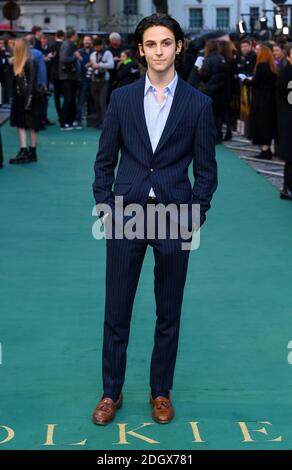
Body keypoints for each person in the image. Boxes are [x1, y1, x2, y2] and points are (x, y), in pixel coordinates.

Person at [92, 13, 218, 425]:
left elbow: (206, 170)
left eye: (167, 43)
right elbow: (104, 160)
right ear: (141, 49)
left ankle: (160, 391)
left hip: (173, 216)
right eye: (151, 44)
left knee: (169, 311)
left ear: (178, 47)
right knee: (117, 309)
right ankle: (111, 392)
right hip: (126, 215)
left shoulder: (199, 105)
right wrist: (106, 205)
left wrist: (195, 214)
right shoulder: (123, 98)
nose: (159, 51)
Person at [9, 38, 41, 164]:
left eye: (14, 46)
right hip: (21, 97)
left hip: (29, 97)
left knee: (30, 125)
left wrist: (28, 101)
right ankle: (26, 150)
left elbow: (32, 83)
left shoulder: (30, 62)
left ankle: (30, 151)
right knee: (21, 125)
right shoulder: (18, 62)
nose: (12, 48)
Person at [244, 45, 278, 159]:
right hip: (270, 100)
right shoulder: (272, 66)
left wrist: (246, 81)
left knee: (261, 125)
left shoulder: (261, 65)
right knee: (267, 125)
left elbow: (255, 82)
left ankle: (265, 150)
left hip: (261, 100)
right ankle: (267, 149)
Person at [276, 45, 292, 200]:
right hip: (288, 119)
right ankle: (287, 188)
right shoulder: (285, 74)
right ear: (288, 57)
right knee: (290, 158)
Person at [88, 37, 114, 129]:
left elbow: (111, 65)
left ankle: (105, 123)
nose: (96, 48)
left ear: (102, 45)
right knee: (96, 103)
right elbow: (91, 65)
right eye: (95, 46)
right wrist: (90, 65)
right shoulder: (93, 54)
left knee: (102, 102)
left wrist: (99, 65)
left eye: (98, 46)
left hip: (104, 81)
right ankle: (99, 121)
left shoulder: (107, 53)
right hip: (94, 80)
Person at [59, 28, 81, 130]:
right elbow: (63, 59)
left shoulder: (69, 44)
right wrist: (75, 57)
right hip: (67, 76)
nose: (77, 36)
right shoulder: (68, 44)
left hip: (71, 76)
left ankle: (70, 121)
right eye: (76, 34)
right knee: (68, 100)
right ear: (72, 35)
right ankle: (64, 122)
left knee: (71, 100)